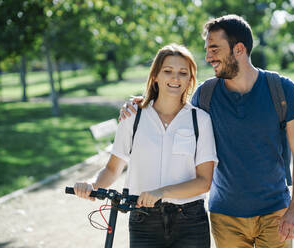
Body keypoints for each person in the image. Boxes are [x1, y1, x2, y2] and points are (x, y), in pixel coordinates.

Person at [120, 15, 294, 248]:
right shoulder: (206, 94)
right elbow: (174, 107)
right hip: (225, 216)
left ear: (239, 49)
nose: (208, 57)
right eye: (207, 50)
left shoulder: (281, 89)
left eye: (214, 49)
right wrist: (141, 104)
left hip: (275, 213)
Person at [74, 44, 218, 248]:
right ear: (155, 76)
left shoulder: (200, 120)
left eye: (182, 73)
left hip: (191, 222)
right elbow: (113, 168)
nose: (175, 78)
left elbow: (204, 181)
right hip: (144, 222)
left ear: (190, 79)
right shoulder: (132, 116)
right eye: (168, 71)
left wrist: (162, 192)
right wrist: (92, 185)